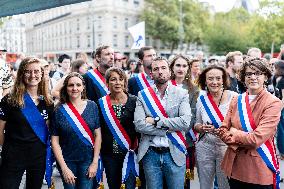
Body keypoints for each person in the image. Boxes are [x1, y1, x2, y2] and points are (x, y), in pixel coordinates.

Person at [218, 57, 282, 189]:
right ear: (243, 77)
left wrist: (234, 133)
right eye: (248, 74)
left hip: (258, 169)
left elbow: (256, 139)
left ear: (266, 77)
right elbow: (223, 130)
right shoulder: (237, 100)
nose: (253, 77)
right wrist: (239, 136)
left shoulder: (273, 103)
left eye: (258, 73)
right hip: (234, 166)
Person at [134, 57, 191, 189]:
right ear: (151, 74)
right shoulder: (143, 95)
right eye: (156, 69)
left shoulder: (182, 93)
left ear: (170, 71)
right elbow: (139, 125)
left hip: (174, 152)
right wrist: (170, 128)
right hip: (150, 153)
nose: (160, 72)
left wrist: (155, 121)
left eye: (163, 68)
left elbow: (184, 122)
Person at [0, 57, 54, 189]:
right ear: (21, 74)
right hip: (13, 155)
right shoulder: (9, 99)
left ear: (42, 73)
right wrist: (5, 150)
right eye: (28, 71)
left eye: (36, 71)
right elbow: (0, 130)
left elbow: (49, 130)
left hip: (38, 156)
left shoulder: (47, 101)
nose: (32, 75)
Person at [51, 72, 102, 189]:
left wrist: (95, 162)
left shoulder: (92, 106)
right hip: (66, 160)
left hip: (87, 160)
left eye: (78, 85)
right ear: (66, 88)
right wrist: (64, 168)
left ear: (83, 87)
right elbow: (54, 141)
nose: (75, 88)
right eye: (71, 85)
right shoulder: (58, 110)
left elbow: (98, 135)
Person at [194, 65, 235, 189]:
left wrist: (226, 131)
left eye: (218, 78)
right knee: (205, 185)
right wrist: (201, 128)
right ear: (205, 80)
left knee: (225, 185)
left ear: (223, 80)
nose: (214, 82)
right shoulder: (201, 99)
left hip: (226, 147)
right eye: (210, 78)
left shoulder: (235, 97)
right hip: (205, 147)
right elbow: (196, 123)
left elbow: (240, 126)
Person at [98, 67, 138, 189]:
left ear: (125, 82)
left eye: (121, 79)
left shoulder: (134, 100)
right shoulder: (101, 103)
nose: (117, 83)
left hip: (130, 153)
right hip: (110, 155)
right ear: (107, 82)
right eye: (113, 79)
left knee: (129, 186)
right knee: (114, 186)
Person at [169, 54, 199, 189]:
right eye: (178, 65)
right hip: (165, 138)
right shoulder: (165, 86)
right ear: (172, 67)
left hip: (185, 140)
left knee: (184, 181)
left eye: (184, 66)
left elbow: (192, 116)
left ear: (188, 68)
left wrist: (177, 128)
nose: (181, 69)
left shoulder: (193, 90)